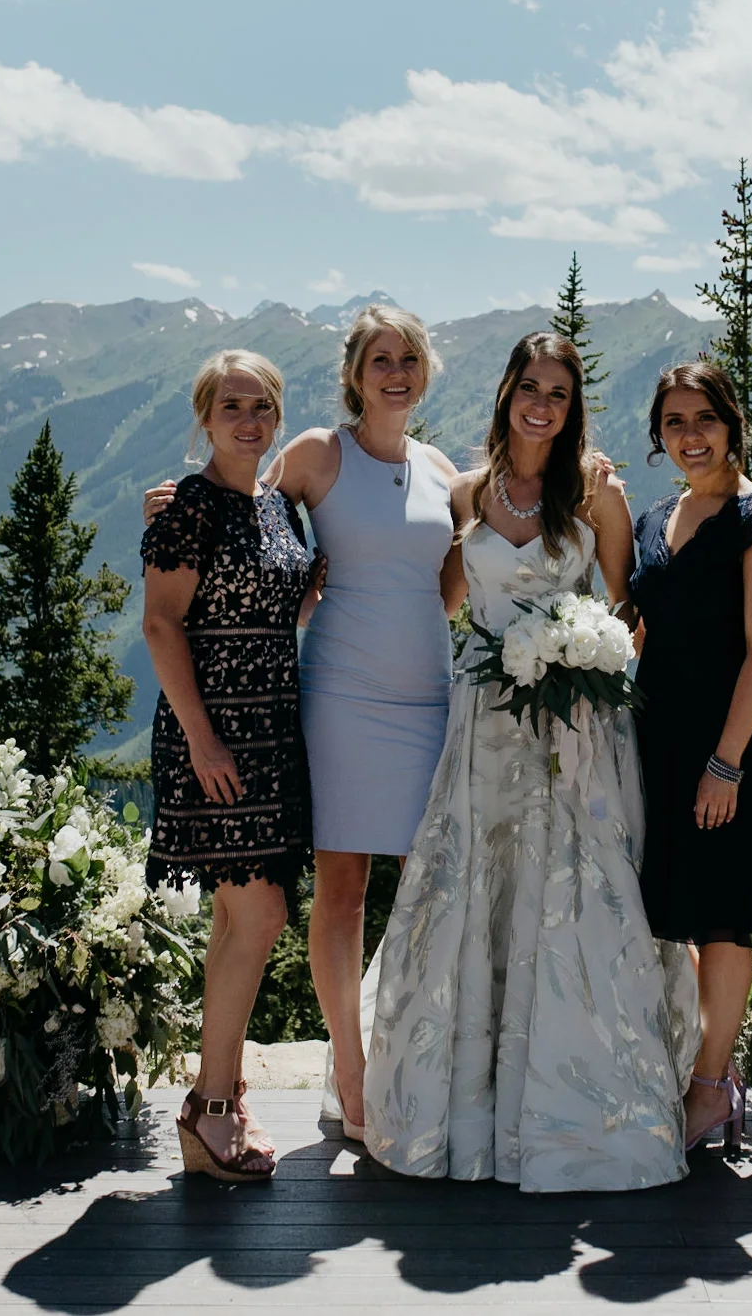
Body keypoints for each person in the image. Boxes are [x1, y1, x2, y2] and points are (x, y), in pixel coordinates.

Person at [362, 332, 694, 1193]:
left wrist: (578, 652)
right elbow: (442, 599)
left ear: (572, 405)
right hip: (482, 724)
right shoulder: (466, 493)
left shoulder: (595, 492)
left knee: (566, 896)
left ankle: (568, 1107)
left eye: (558, 392)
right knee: (479, 892)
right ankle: (467, 1108)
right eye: (529, 387)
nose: (541, 404)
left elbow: (625, 613)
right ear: (507, 391)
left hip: (572, 733)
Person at [147, 305, 460, 1141]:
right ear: (354, 373)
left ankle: (418, 1064)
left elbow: (459, 567)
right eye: (380, 359)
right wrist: (172, 504)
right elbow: (234, 508)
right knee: (337, 891)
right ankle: (347, 1074)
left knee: (432, 887)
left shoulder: (440, 468)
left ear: (425, 371)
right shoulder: (317, 454)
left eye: (409, 358)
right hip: (333, 699)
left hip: (422, 700)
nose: (396, 372)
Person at [628, 361, 752, 1152]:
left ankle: (708, 1089)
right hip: (662, 741)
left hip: (730, 748)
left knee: (724, 921)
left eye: (704, 418)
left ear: (732, 423)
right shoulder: (654, 518)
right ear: (659, 435)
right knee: (682, 912)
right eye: (674, 422)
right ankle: (714, 1068)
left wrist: (726, 763)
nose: (691, 435)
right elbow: (642, 626)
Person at [138, 350, 317, 1183]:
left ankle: (220, 1095)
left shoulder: (279, 507)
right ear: (205, 417)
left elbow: (283, 602)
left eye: (263, 407)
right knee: (262, 915)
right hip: (213, 739)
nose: (250, 421)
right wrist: (203, 738)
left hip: (273, 734)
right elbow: (161, 625)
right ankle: (211, 1108)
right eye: (233, 406)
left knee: (235, 923)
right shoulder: (187, 508)